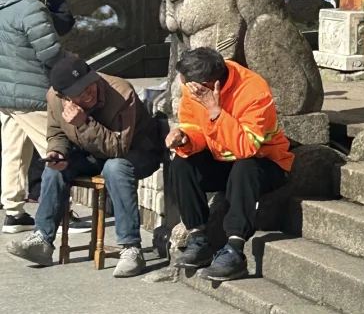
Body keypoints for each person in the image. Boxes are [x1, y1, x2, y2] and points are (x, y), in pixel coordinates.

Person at [7, 55, 160, 275]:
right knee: (55, 167)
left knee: (114, 167)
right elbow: (57, 132)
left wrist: (83, 123)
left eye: (89, 85)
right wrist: (57, 151)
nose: (89, 92)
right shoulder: (53, 98)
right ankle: (42, 240)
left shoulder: (122, 92)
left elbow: (118, 149)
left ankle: (131, 248)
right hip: (91, 153)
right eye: (80, 92)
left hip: (137, 153)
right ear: (64, 97)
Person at [166, 47, 292, 281]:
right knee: (182, 161)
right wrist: (184, 138)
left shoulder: (254, 89)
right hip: (221, 160)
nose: (184, 87)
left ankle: (234, 250)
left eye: (188, 84)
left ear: (206, 84)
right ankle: (198, 239)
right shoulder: (192, 87)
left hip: (265, 164)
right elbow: (194, 125)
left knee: (245, 166)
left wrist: (215, 110)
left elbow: (247, 148)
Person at [0, 0, 62, 234]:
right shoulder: (30, 8)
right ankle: (58, 214)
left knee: (14, 153)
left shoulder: (3, 3)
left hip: (6, 92)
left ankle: (13, 212)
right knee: (56, 152)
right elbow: (49, 52)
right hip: (32, 92)